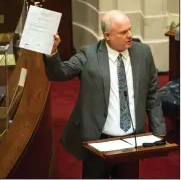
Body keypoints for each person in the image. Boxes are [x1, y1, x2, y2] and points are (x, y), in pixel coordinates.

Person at [43, 10, 166, 179]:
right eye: (123, 32)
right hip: (98, 141)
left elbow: (152, 93)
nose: (129, 35)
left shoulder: (143, 53)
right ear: (107, 35)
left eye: (130, 29)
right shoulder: (88, 54)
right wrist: (52, 51)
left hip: (131, 141)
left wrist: (158, 131)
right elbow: (59, 74)